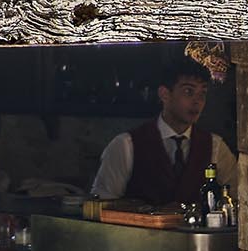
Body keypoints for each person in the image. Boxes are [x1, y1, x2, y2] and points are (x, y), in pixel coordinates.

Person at [90, 60, 228, 209]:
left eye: (203, 94)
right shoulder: (126, 145)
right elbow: (102, 204)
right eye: (188, 92)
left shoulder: (214, 146)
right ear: (164, 94)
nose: (197, 101)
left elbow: (239, 195)